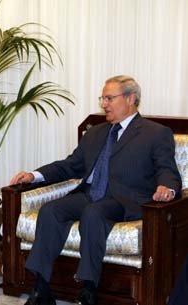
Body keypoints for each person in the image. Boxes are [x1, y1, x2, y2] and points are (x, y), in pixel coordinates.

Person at [10, 75, 181, 305]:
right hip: (90, 194)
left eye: (109, 98)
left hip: (125, 200)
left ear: (131, 98)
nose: (104, 104)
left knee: (94, 213)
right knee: (51, 211)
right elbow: (70, 165)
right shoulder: (95, 132)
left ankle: (88, 290)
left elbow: (167, 169)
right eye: (103, 98)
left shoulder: (155, 133)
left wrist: (166, 187)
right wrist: (35, 175)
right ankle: (41, 288)